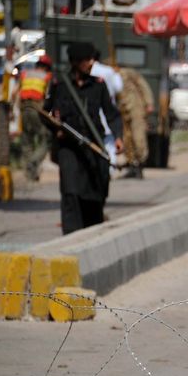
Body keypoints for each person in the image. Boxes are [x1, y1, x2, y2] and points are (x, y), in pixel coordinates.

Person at [44, 42, 123, 234]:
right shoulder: (59, 85)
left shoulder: (98, 85)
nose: (91, 63)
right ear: (75, 62)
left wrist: (118, 137)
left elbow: (112, 114)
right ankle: (71, 234)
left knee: (94, 191)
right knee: (71, 191)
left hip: (93, 145)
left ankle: (91, 232)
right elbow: (45, 112)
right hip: (68, 147)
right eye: (87, 60)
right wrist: (56, 130)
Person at [12, 54, 53, 181]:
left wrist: (13, 110)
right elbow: (48, 96)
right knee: (46, 139)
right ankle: (33, 163)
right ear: (47, 67)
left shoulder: (25, 74)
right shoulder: (47, 76)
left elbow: (14, 93)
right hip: (37, 110)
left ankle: (30, 173)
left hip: (24, 109)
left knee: (27, 139)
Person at [117, 67, 154, 179]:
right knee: (127, 139)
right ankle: (132, 165)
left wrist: (149, 103)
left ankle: (140, 165)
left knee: (138, 138)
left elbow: (143, 85)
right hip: (123, 110)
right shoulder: (110, 77)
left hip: (136, 109)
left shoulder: (127, 73)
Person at [91, 50, 124, 168]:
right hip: (106, 110)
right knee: (109, 142)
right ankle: (110, 165)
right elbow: (119, 88)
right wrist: (116, 74)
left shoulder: (83, 72)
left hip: (91, 112)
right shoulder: (108, 71)